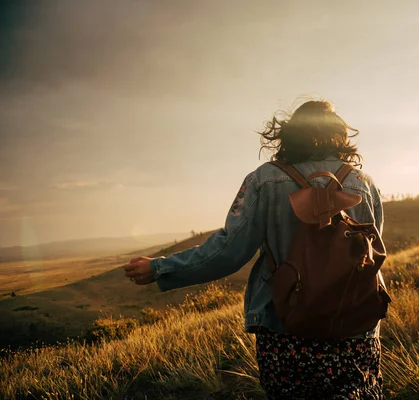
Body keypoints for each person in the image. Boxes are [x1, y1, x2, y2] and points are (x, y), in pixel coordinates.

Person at [123, 100, 386, 399]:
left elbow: (227, 253)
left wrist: (160, 267)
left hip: (285, 327)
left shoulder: (264, 179)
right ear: (339, 134)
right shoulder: (364, 183)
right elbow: (372, 255)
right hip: (354, 324)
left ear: (288, 134)